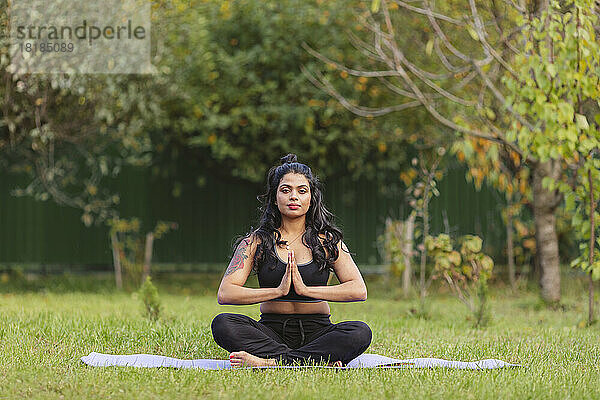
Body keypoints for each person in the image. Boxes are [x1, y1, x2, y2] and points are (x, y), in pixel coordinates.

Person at [211, 153, 372, 367]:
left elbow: (358, 290)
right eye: (285, 190)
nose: (293, 196)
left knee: (359, 331)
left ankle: (272, 362)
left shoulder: (328, 242)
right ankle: (313, 361)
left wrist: (307, 290)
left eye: (301, 191)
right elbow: (226, 293)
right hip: (271, 332)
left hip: (318, 331)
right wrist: (277, 291)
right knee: (223, 324)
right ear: (275, 198)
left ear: (311, 198)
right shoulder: (256, 242)